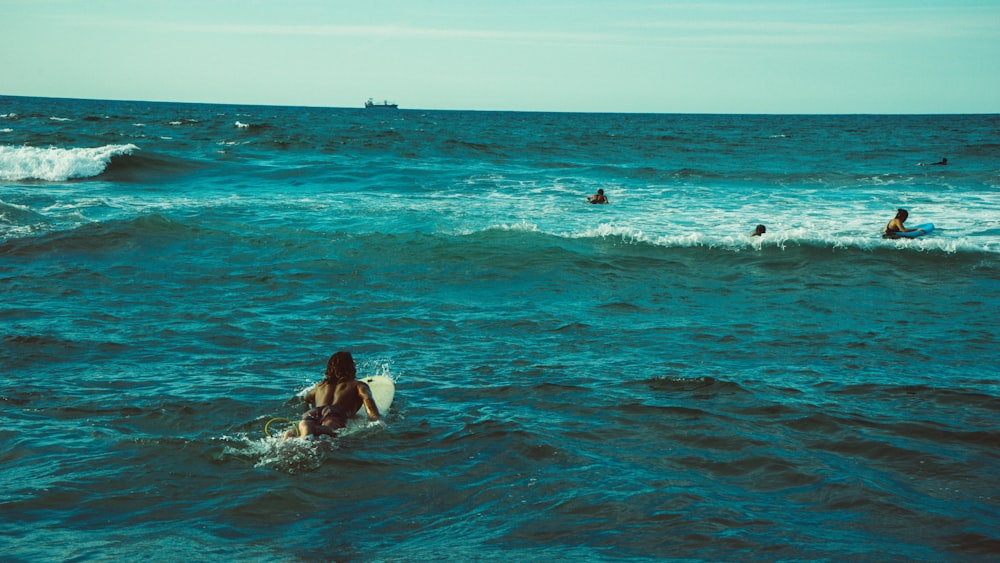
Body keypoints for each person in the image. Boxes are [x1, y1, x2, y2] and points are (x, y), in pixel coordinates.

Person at [284, 351, 381, 439]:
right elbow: (367, 398)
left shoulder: (320, 386)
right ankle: (318, 430)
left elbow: (306, 398)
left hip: (314, 412)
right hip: (335, 413)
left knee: (308, 422)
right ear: (351, 368)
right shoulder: (358, 385)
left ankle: (300, 430)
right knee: (329, 428)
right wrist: (376, 419)